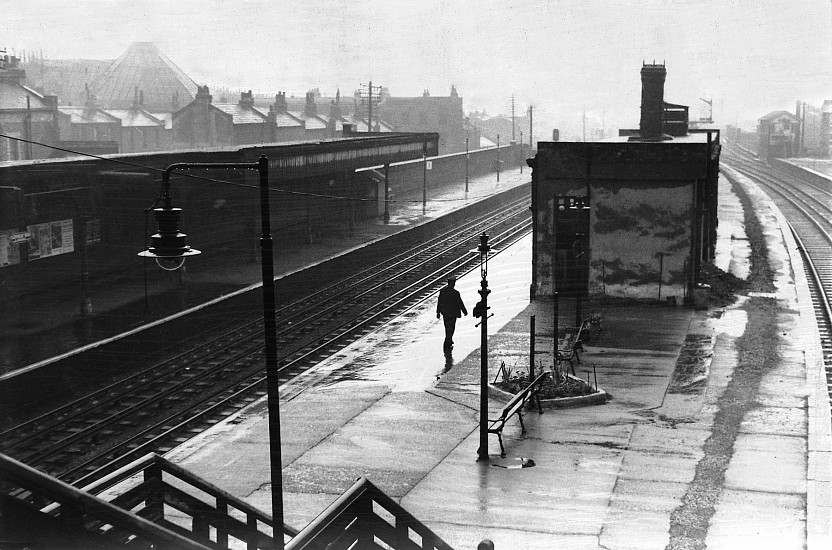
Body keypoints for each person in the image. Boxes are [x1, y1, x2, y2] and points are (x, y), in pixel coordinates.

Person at [436, 275, 467, 353]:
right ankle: (448, 342)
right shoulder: (455, 293)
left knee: (447, 327)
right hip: (453, 314)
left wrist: (438, 312)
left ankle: (448, 341)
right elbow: (460, 302)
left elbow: (440, 302)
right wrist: (464, 311)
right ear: (453, 283)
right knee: (452, 328)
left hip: (445, 313)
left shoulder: (442, 291)